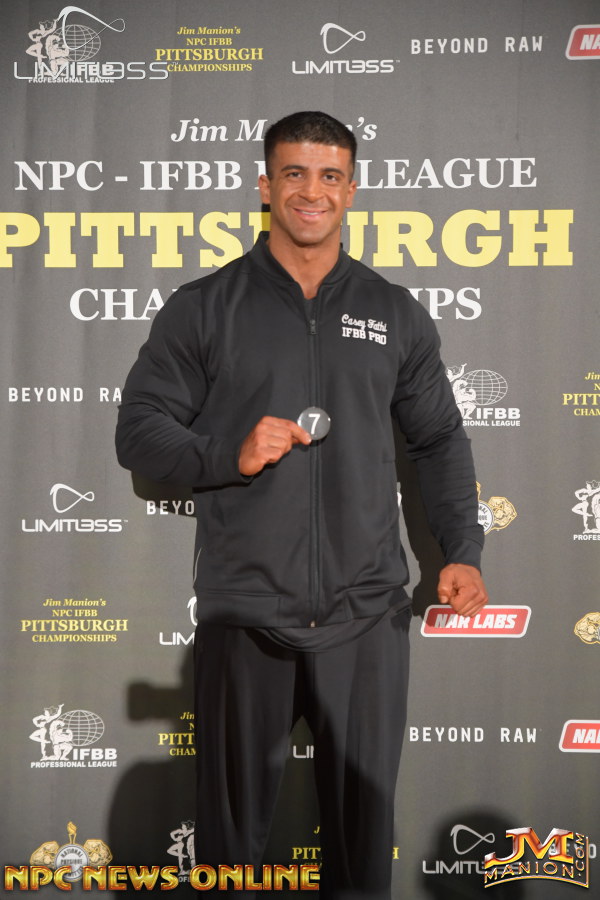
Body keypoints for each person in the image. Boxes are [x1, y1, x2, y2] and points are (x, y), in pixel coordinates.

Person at [116, 111, 489, 898]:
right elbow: (140, 433)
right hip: (245, 614)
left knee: (360, 860)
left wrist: (461, 551)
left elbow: (439, 442)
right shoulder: (205, 306)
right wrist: (228, 453)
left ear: (351, 190)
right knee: (230, 858)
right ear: (265, 186)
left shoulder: (394, 311)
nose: (310, 192)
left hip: (366, 618)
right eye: (293, 173)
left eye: (328, 176)